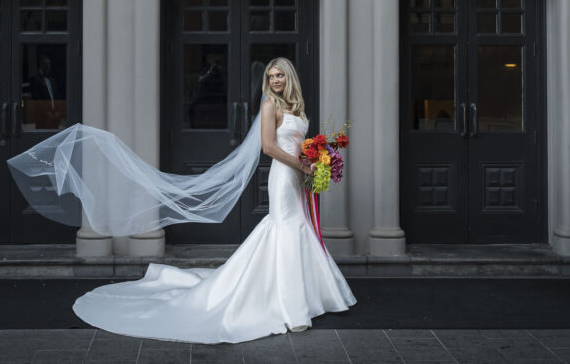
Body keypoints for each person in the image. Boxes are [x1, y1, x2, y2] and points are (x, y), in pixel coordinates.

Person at [70, 57, 356, 343]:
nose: (275, 81)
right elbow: (269, 147)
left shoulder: (297, 107)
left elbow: (297, 144)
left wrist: (317, 159)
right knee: (286, 227)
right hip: (283, 177)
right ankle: (290, 305)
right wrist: (302, 165)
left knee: (299, 227)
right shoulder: (270, 105)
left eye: (280, 75)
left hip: (297, 177)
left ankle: (310, 295)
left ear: (289, 77)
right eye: (271, 77)